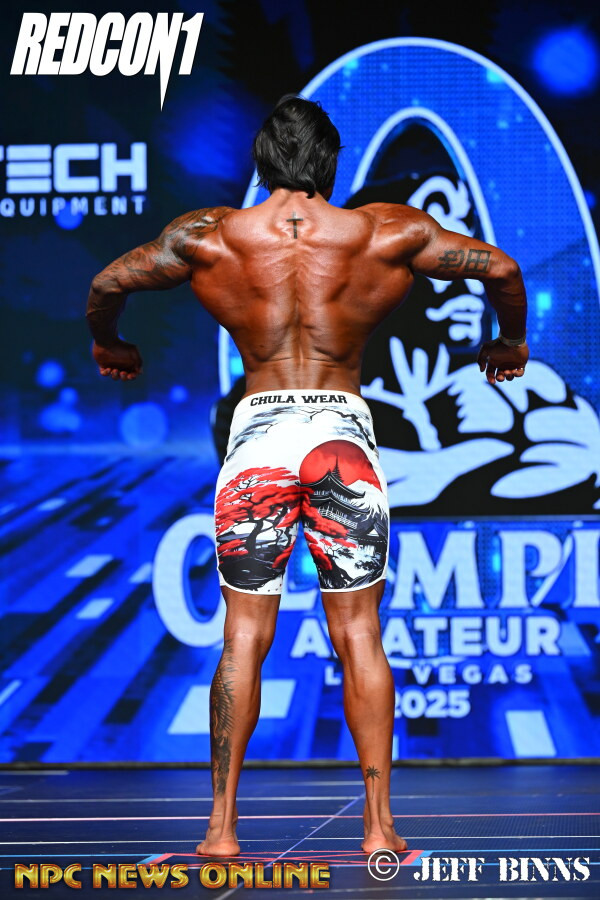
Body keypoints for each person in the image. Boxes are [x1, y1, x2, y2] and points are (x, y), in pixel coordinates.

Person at [86, 95, 528, 857]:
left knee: (242, 636)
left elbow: (107, 284)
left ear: (261, 162)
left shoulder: (209, 235)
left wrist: (112, 345)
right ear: (330, 163)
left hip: (258, 436)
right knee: (358, 631)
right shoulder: (385, 230)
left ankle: (220, 831)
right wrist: (509, 341)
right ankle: (379, 829)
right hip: (340, 433)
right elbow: (502, 268)